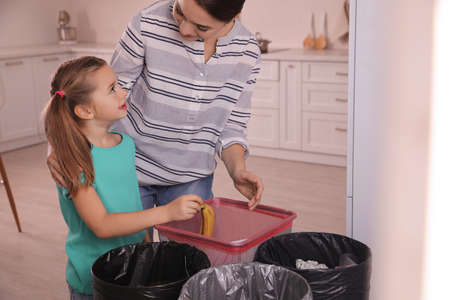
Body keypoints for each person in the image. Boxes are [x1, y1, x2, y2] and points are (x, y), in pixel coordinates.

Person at [44, 56, 203, 299]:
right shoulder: (74, 160)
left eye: (118, 85)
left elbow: (131, 205)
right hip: (93, 279)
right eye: (112, 89)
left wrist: (147, 246)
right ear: (85, 110)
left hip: (131, 269)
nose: (123, 93)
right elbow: (102, 225)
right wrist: (167, 213)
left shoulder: (124, 144)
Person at [110, 0, 264, 220]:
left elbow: (232, 124)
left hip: (191, 178)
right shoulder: (146, 22)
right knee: (132, 252)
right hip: (127, 169)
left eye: (201, 27)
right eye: (179, 12)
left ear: (235, 16)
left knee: (186, 254)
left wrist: (238, 170)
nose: (183, 30)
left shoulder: (246, 50)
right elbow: (110, 95)